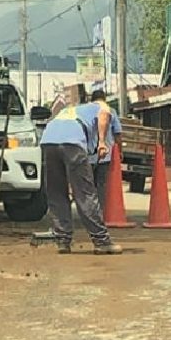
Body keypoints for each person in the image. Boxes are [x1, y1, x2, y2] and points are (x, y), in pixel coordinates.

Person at [39, 100, 123, 255]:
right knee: (85, 193)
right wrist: (103, 142)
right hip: (73, 142)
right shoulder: (101, 106)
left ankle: (62, 241)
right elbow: (105, 115)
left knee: (56, 192)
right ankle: (101, 241)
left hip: (48, 140)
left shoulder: (72, 110)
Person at [78, 90, 123, 214]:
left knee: (87, 185)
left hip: (86, 155)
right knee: (101, 184)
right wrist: (120, 151)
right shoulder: (111, 112)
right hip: (105, 156)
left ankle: (88, 211)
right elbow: (118, 134)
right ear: (104, 99)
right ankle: (100, 212)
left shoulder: (84, 112)